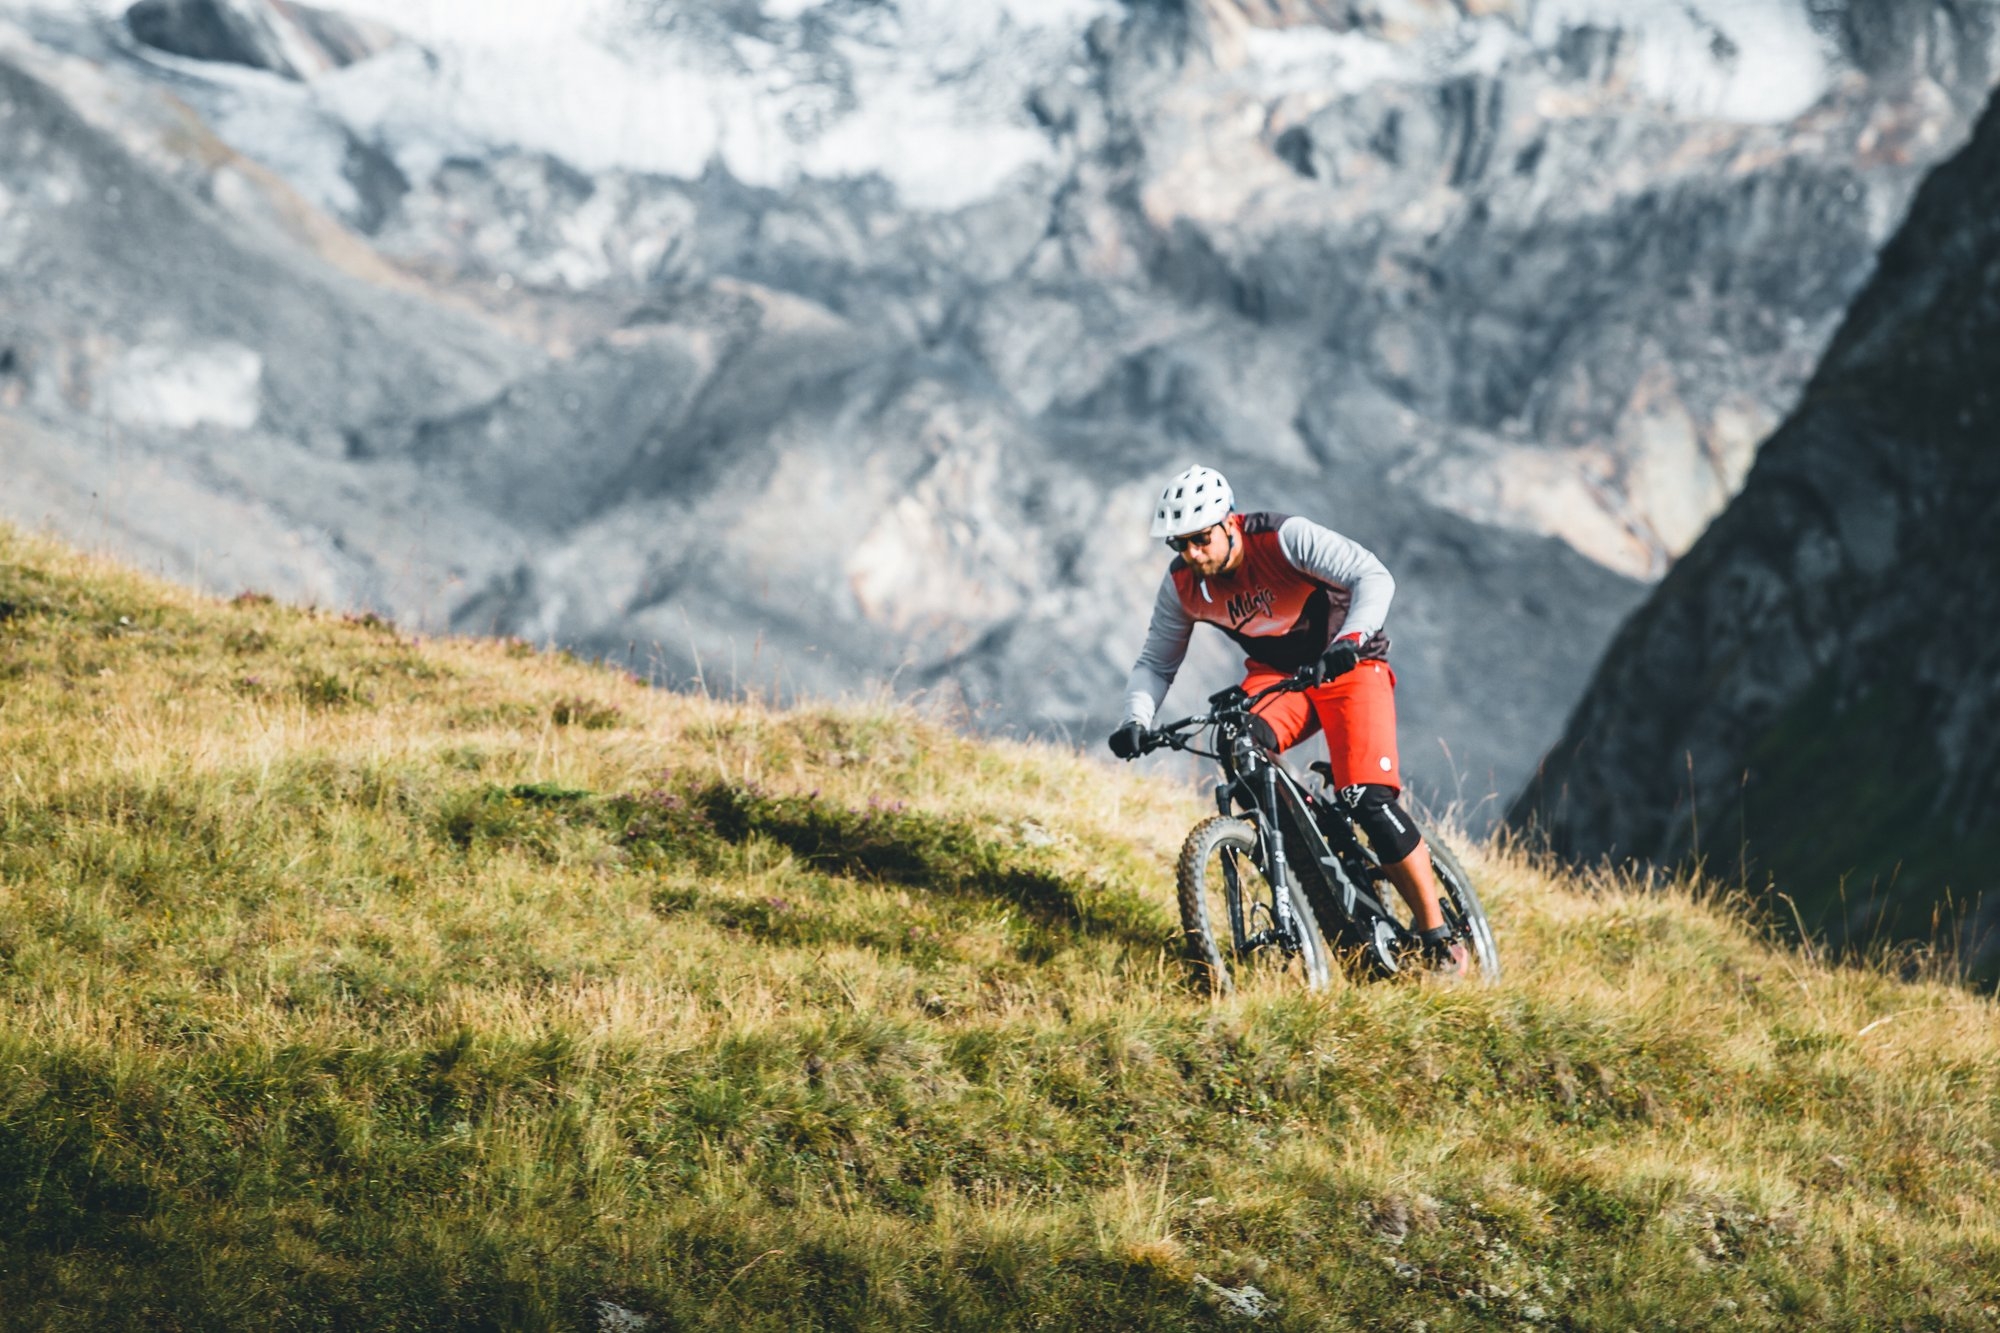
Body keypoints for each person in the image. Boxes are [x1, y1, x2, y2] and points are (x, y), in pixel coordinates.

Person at [1107, 463, 1469, 974]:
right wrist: (1135, 720)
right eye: (1178, 545)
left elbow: (1373, 575)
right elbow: (1156, 661)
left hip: (1350, 667)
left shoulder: (1283, 539)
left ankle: (1438, 935)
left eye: (1200, 539)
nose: (1191, 554)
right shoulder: (1184, 585)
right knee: (1237, 741)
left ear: (1228, 522)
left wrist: (1349, 640)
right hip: (1279, 680)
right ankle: (1322, 887)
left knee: (1365, 798)